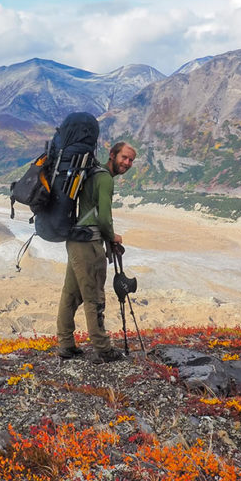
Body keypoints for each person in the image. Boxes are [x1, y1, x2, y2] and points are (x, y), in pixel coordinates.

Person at [56, 141, 136, 363]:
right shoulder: (104, 179)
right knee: (94, 297)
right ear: (112, 155)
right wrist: (112, 236)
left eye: (131, 160)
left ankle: (66, 344)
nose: (127, 163)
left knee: (70, 294)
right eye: (124, 158)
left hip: (74, 240)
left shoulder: (91, 173)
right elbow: (103, 217)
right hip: (88, 244)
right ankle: (103, 348)